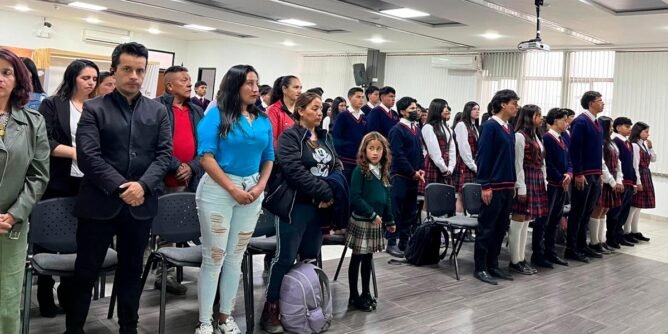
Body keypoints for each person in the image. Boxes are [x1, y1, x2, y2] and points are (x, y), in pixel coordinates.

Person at [65, 42, 172, 334]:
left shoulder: (158, 111)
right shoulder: (94, 108)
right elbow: (88, 156)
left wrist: (143, 186)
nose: (134, 76)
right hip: (99, 203)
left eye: (140, 70)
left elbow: (164, 156)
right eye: (127, 69)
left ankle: (129, 327)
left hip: (141, 206)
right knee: (85, 272)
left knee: (131, 271)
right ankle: (73, 329)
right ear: (113, 70)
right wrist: (124, 187)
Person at [194, 65, 274, 334]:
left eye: (257, 83)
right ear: (234, 85)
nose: (255, 89)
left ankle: (224, 316)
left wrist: (260, 186)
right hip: (219, 189)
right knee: (214, 256)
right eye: (249, 83)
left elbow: (269, 158)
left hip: (252, 189)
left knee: (235, 257)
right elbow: (206, 157)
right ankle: (204, 321)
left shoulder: (262, 119)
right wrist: (232, 189)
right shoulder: (216, 114)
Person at [260, 92, 340, 334]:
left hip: (319, 208)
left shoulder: (325, 136)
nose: (320, 112)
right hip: (296, 205)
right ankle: (271, 307)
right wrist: (322, 192)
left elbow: (337, 165)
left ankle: (301, 302)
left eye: (322, 109)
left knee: (310, 255)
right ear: (301, 110)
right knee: (284, 257)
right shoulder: (290, 136)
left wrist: (329, 193)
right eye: (315, 108)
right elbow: (293, 170)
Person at [37, 58, 99, 317]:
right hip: (57, 179)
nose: (91, 83)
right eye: (86, 78)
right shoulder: (53, 104)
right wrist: (77, 153)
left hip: (87, 183)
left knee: (77, 240)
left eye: (94, 79)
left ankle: (68, 291)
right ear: (72, 78)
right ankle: (44, 291)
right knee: (49, 239)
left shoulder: (97, 107)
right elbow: (45, 140)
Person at [0, 48, 50, 334]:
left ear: (18, 79)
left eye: (7, 72)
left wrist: (14, 214)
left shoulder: (33, 122)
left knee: (7, 300)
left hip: (11, 225)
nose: (0, 78)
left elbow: (38, 176)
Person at [153, 65, 205, 295]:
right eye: (184, 80)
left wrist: (191, 166)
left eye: (190, 79)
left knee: (183, 224)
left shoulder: (196, 111)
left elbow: (204, 146)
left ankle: (175, 270)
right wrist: (177, 165)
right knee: (166, 226)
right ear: (170, 85)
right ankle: (164, 275)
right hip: (162, 177)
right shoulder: (155, 107)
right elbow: (154, 144)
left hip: (190, 177)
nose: (189, 83)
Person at [473, 89, 519, 285]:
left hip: (507, 186)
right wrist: (485, 185)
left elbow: (511, 159)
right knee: (487, 228)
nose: (516, 107)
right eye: (513, 103)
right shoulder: (490, 126)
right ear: (502, 104)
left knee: (501, 228)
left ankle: (493, 264)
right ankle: (480, 267)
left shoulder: (509, 128)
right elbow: (483, 156)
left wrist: (514, 182)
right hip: (494, 185)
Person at [346, 132, 395, 312]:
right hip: (363, 221)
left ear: (384, 151)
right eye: (371, 148)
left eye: (379, 149)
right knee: (357, 258)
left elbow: (387, 197)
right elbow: (355, 197)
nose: (375, 152)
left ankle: (366, 293)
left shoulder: (383, 171)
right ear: (364, 150)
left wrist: (389, 219)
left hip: (377, 221)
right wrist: (371, 214)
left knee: (368, 259)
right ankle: (353, 295)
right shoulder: (360, 171)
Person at [566, 91, 604, 263]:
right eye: (599, 101)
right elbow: (575, 150)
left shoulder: (597, 122)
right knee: (578, 212)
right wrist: (579, 173)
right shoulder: (581, 122)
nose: (603, 103)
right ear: (590, 103)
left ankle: (582, 245)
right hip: (584, 175)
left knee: (587, 211)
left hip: (594, 173)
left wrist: (599, 173)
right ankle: (571, 248)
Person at [509, 104, 546, 275]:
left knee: (527, 221)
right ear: (529, 117)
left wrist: (544, 181)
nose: (541, 118)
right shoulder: (519, 136)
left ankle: (522, 258)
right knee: (519, 219)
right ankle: (515, 260)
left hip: (536, 179)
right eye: (538, 115)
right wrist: (521, 187)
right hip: (525, 179)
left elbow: (542, 162)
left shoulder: (537, 136)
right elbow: (518, 164)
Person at [386, 96, 424, 257]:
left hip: (414, 177)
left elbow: (420, 152)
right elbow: (398, 155)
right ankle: (391, 242)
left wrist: (420, 169)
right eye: (411, 109)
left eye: (415, 108)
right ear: (402, 112)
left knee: (410, 211)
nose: (415, 112)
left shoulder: (416, 129)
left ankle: (404, 241)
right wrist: (412, 172)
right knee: (396, 211)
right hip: (400, 175)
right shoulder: (397, 130)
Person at [535, 108, 571, 268]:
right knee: (544, 220)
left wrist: (569, 174)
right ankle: (539, 254)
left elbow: (569, 160)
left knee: (555, 220)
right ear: (555, 121)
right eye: (564, 120)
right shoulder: (547, 138)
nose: (567, 123)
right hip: (551, 184)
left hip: (562, 184)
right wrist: (561, 177)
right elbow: (548, 164)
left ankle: (551, 252)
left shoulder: (562, 139)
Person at [589, 116, 622, 255]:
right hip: (604, 179)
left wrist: (619, 180)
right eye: (610, 125)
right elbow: (601, 164)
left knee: (605, 211)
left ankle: (601, 240)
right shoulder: (600, 143)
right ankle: (594, 242)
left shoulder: (612, 142)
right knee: (598, 209)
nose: (612, 128)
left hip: (613, 178)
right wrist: (611, 181)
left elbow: (618, 163)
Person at [419, 98, 456, 220]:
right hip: (434, 165)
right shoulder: (428, 127)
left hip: (445, 166)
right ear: (436, 109)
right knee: (429, 200)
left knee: (443, 200)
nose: (446, 109)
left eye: (447, 107)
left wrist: (451, 167)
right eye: (443, 107)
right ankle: (426, 227)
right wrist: (444, 168)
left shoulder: (448, 128)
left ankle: (440, 229)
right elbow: (434, 152)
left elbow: (452, 150)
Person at [605, 117, 635, 249]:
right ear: (618, 128)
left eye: (630, 127)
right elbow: (616, 163)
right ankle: (612, 237)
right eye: (626, 126)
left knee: (624, 211)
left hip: (628, 180)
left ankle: (619, 235)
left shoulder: (627, 142)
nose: (629, 129)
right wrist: (618, 181)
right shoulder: (616, 141)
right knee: (615, 212)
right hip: (619, 181)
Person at [626, 122, 656, 242]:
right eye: (646, 131)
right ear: (639, 131)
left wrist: (651, 147)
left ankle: (634, 230)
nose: (648, 134)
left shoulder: (643, 145)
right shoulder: (634, 145)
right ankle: (626, 231)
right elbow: (635, 165)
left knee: (639, 206)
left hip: (645, 174)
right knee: (633, 205)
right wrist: (638, 181)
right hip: (639, 175)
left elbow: (653, 159)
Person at [332, 87, 368, 183]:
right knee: (344, 186)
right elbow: (336, 137)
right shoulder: (343, 116)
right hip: (345, 160)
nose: (361, 100)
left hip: (359, 160)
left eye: (362, 97)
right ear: (350, 98)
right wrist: (337, 158)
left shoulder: (364, 118)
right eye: (358, 97)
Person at [453, 101, 480, 213]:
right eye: (474, 109)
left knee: (470, 196)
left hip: (473, 162)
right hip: (465, 163)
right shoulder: (461, 125)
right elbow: (464, 148)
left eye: (478, 109)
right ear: (468, 110)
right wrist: (473, 166)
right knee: (461, 196)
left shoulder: (474, 127)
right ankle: (457, 226)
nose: (477, 111)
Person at [266, 75, 302, 148]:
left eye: (300, 88)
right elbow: (272, 140)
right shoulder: (273, 110)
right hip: (283, 155)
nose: (299, 91)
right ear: (284, 89)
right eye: (296, 87)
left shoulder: (301, 110)